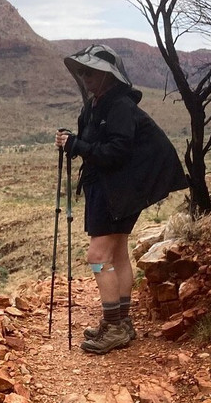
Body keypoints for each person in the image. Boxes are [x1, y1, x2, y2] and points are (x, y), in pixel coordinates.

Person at [55, 44, 188, 355]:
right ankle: (121, 322)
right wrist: (74, 142)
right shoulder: (98, 105)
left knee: (98, 257)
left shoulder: (119, 107)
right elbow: (98, 145)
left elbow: (117, 152)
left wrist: (76, 145)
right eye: (83, 71)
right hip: (112, 188)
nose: (86, 76)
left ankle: (115, 325)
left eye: (91, 72)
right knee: (116, 254)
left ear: (107, 75)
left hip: (119, 191)